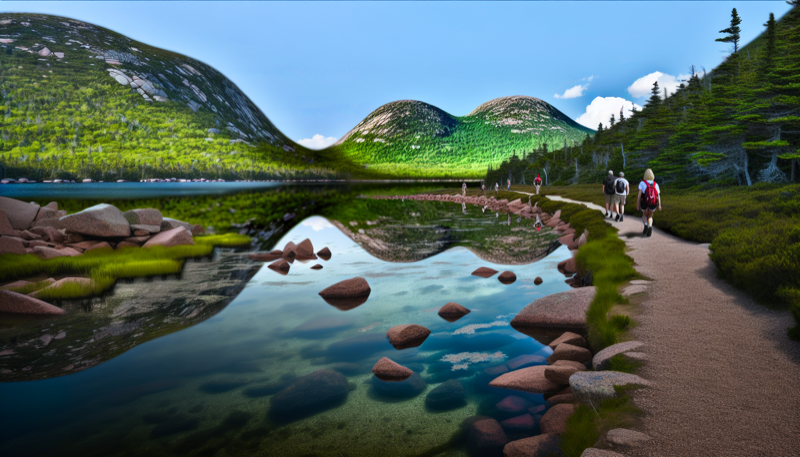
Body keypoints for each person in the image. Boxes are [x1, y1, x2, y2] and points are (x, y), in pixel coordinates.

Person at [636, 168, 662, 237]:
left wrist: (638, 204)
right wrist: (659, 205)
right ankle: (650, 226)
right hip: (653, 203)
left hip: (644, 203)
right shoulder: (655, 184)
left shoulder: (642, 183)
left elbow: (639, 195)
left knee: (644, 215)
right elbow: (658, 195)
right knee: (650, 216)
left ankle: (646, 225)